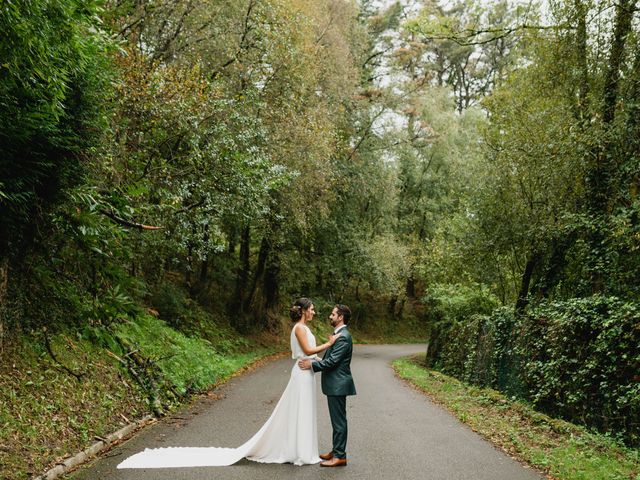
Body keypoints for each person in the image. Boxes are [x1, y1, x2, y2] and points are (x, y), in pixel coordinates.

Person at [117, 298, 338, 468]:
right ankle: (297, 452)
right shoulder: (299, 328)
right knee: (298, 410)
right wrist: (328, 344)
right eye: (312, 309)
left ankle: (303, 450)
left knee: (304, 411)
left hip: (307, 373)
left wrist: (322, 360)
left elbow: (310, 356)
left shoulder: (306, 328)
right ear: (303, 310)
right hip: (301, 374)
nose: (314, 312)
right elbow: (307, 351)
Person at [298, 304, 356, 467]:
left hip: (338, 384)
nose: (330, 316)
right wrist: (317, 359)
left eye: (333, 314)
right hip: (336, 383)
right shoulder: (339, 334)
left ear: (340, 317)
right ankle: (336, 450)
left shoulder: (343, 336)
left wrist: (312, 366)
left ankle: (340, 456)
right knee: (337, 420)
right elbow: (332, 359)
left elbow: (333, 362)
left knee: (339, 422)